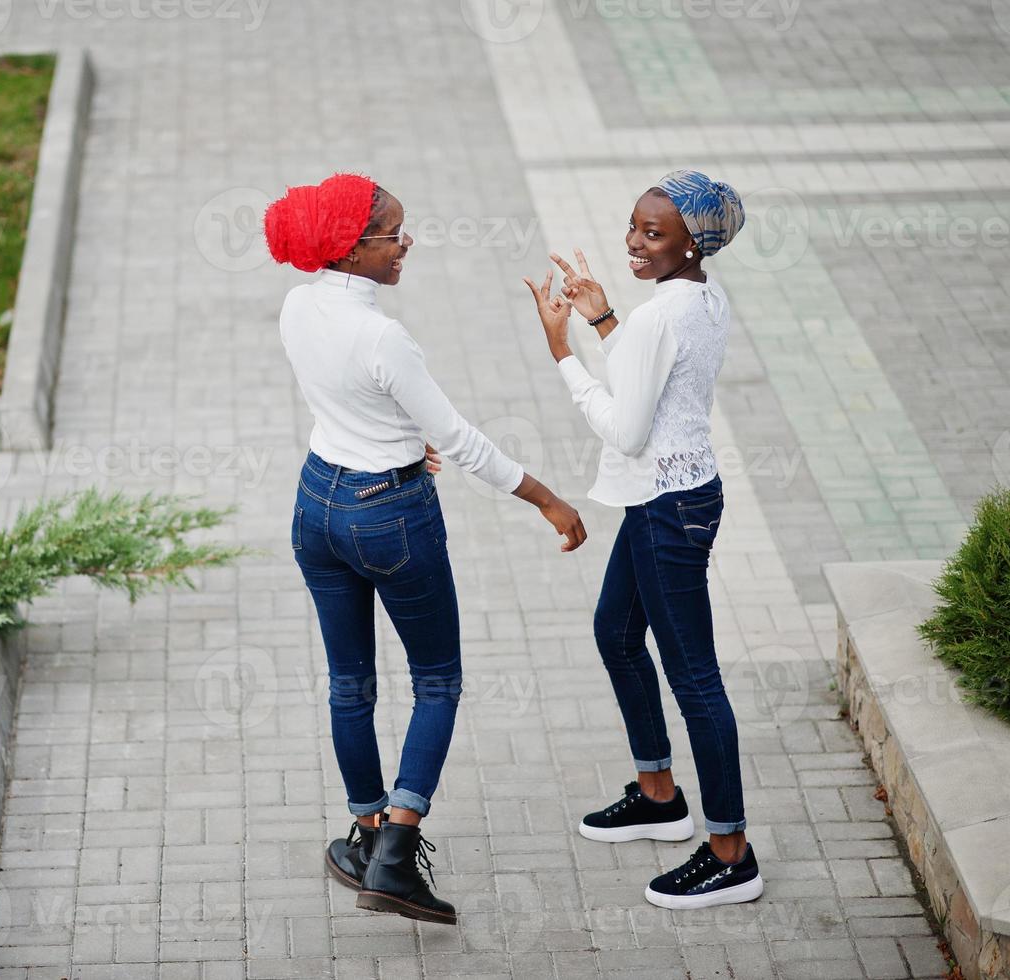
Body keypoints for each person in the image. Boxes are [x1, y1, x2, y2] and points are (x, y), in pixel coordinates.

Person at [266, 172, 587, 924]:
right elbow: (461, 442)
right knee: (436, 679)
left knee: (349, 681)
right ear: (352, 248)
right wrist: (547, 498)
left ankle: (366, 829)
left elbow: (346, 398)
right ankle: (397, 860)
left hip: (316, 503)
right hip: (390, 516)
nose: (405, 244)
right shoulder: (381, 334)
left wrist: (399, 439)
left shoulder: (296, 302)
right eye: (393, 235)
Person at [523, 170, 763, 910]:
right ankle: (658, 795)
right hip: (665, 496)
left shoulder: (664, 314)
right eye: (632, 225)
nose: (632, 241)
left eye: (653, 234)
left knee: (695, 681)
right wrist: (601, 323)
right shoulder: (695, 298)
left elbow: (626, 426)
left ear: (695, 244)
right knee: (616, 635)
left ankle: (730, 853)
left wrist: (561, 352)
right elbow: (644, 376)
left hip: (668, 508)